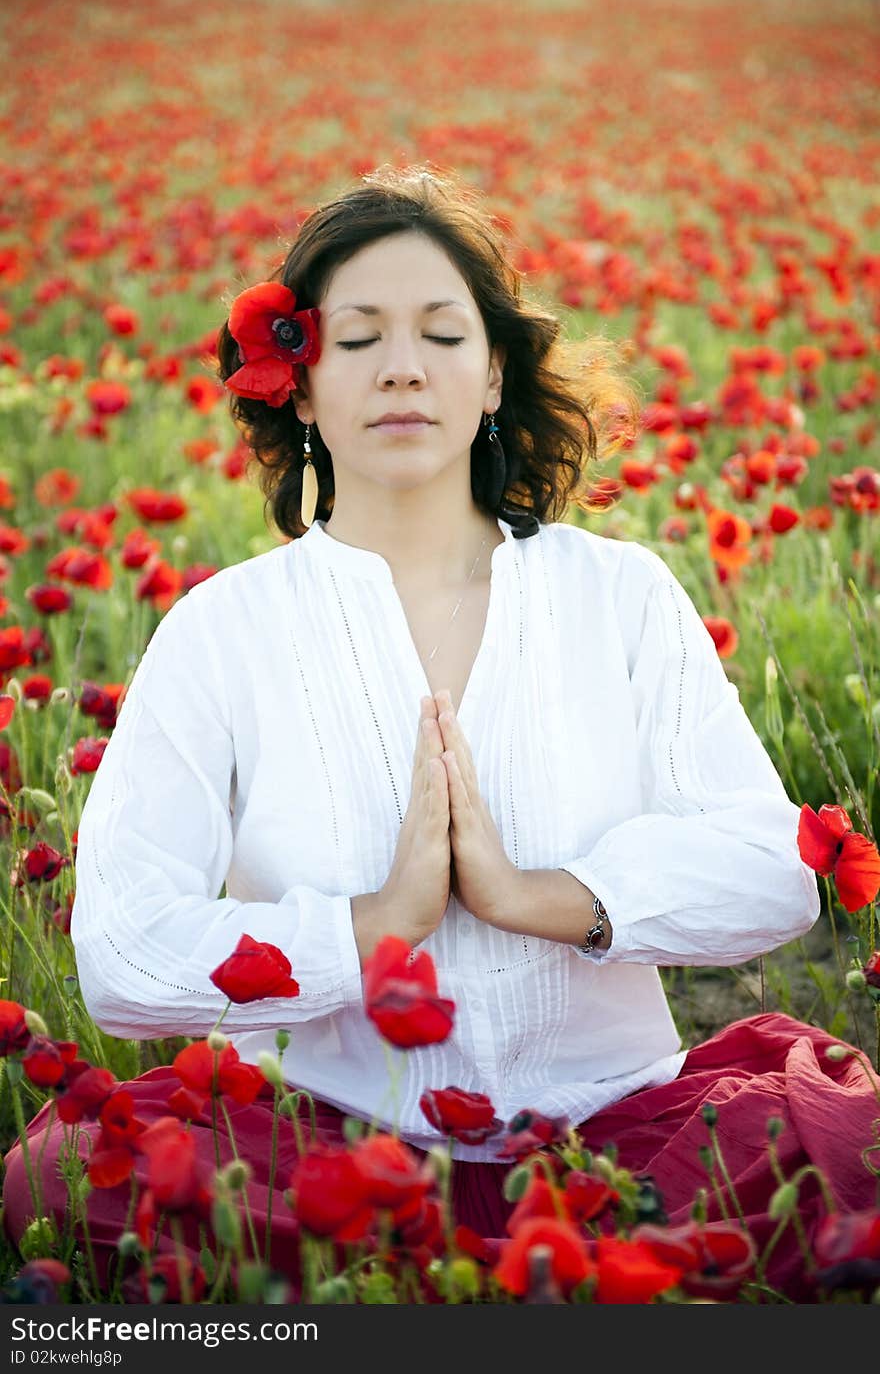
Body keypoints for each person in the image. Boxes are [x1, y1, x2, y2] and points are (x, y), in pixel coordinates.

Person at [3, 166, 877, 1304]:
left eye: (441, 332)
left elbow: (774, 875)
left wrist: (538, 896)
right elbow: (120, 954)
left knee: (835, 1154)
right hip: (326, 1147)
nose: (402, 366)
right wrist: (374, 928)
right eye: (358, 337)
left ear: (494, 369)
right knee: (61, 1182)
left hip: (628, 1129)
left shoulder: (619, 595)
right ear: (300, 384)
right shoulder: (220, 631)